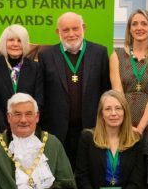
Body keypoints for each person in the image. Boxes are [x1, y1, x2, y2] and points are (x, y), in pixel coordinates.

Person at [38, 11, 111, 164]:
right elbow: (41, 95)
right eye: (65, 30)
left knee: (87, 174)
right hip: (56, 132)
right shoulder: (46, 56)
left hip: (92, 130)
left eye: (75, 28)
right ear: (58, 32)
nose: (71, 34)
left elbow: (106, 92)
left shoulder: (100, 53)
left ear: (83, 28)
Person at [110, 9, 148, 141]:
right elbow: (118, 93)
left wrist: (140, 128)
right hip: (123, 122)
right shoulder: (116, 55)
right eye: (134, 24)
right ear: (129, 29)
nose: (139, 28)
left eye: (144, 24)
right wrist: (127, 126)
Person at [0, 24, 43, 140]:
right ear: (4, 43)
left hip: (27, 129)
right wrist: (7, 127)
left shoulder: (35, 68)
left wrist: (24, 124)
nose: (15, 44)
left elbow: (39, 101)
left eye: (19, 40)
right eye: (11, 40)